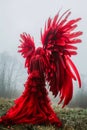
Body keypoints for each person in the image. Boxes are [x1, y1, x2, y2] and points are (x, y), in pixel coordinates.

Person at [0, 10, 82, 127]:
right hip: (39, 81)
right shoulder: (42, 58)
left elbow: (30, 69)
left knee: (28, 97)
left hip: (32, 80)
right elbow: (45, 69)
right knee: (40, 99)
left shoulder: (32, 57)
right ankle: (36, 113)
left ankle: (27, 112)